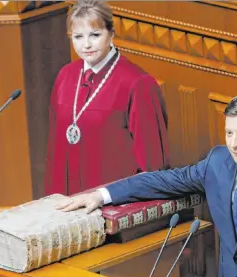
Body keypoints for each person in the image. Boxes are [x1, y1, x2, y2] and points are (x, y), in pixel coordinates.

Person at [55, 91, 237, 277]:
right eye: (229, 132)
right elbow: (164, 181)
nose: (234, 143)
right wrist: (102, 194)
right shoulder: (218, 162)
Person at [45, 0, 170, 195]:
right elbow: (54, 152)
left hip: (113, 205)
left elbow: (153, 165)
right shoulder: (65, 75)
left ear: (111, 34)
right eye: (78, 37)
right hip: (67, 203)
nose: (86, 44)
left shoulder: (138, 83)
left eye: (95, 35)